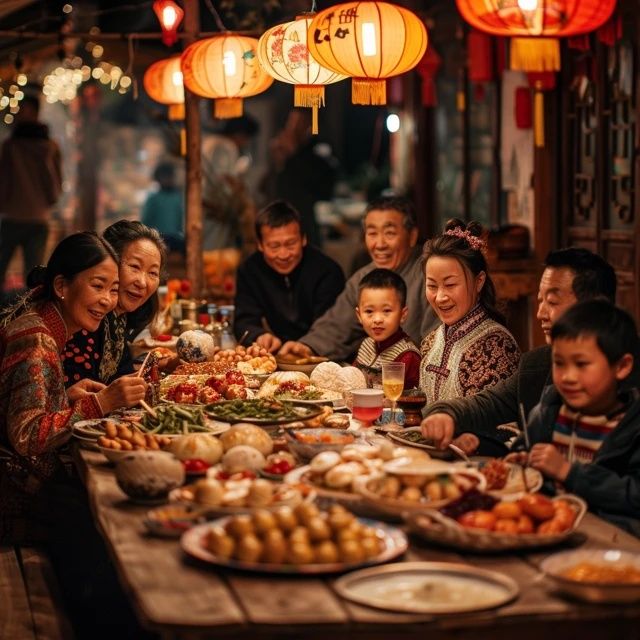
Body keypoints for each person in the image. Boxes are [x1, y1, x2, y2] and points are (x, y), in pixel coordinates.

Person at [0, 231, 148, 544]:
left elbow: (15, 406)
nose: (107, 300)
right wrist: (101, 404)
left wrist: (65, 396)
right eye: (98, 286)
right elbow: (27, 436)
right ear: (62, 286)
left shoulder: (42, 322)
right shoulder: (37, 337)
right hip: (13, 493)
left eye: (113, 289)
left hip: (24, 480)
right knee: (111, 523)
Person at [421, 247, 617, 454]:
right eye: (540, 301)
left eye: (552, 302)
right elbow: (488, 404)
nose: (540, 313)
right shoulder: (537, 365)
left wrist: (567, 473)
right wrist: (445, 414)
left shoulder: (628, 386)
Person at [509, 300, 640, 536]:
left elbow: (634, 497)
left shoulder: (631, 426)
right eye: (559, 363)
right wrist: (523, 459)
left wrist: (569, 472)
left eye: (581, 364)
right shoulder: (549, 410)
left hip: (609, 544)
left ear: (621, 366)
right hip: (547, 533)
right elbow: (528, 448)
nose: (568, 377)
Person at [279, 196, 438, 361]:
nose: (379, 244)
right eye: (372, 233)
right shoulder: (363, 277)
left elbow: (437, 341)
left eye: (389, 233)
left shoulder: (430, 274)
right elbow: (337, 324)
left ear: (412, 236)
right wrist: (308, 346)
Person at [420, 219, 520, 402]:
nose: (440, 297)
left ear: (479, 281)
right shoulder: (431, 340)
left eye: (450, 285)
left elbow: (492, 421)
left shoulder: (496, 346)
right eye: (432, 286)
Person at [63, 220, 166, 385]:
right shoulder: (86, 317)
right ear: (109, 260)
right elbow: (75, 393)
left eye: (152, 273)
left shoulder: (119, 318)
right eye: (134, 266)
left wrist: (165, 365)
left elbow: (120, 376)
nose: (143, 282)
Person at [233, 200, 345, 353]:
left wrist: (308, 345)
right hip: (278, 353)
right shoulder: (250, 270)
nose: (284, 254)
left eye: (291, 244)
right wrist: (259, 336)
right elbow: (244, 319)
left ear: (303, 239)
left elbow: (332, 325)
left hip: (320, 352)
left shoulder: (327, 271)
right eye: (274, 246)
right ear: (260, 244)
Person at [0, 95, 62, 293]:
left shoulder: (10, 146)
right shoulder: (50, 147)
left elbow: (3, 181)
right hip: (38, 218)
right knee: (33, 277)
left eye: (21, 109)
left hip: (13, 217)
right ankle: (28, 317)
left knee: (3, 270)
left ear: (33, 112)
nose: (18, 113)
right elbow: (55, 188)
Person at [261, 109, 338, 248]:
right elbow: (265, 188)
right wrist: (278, 163)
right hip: (278, 222)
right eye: (290, 123)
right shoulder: (283, 154)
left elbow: (325, 187)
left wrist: (293, 155)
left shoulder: (318, 150)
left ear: (308, 126)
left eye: (298, 124)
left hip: (304, 224)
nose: (292, 128)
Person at [354, 268, 421, 389]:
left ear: (403, 314)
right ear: (359, 315)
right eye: (369, 311)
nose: (377, 319)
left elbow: (412, 401)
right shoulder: (366, 345)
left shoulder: (408, 355)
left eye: (386, 311)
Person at [201, 115, 259, 252]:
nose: (245, 143)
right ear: (239, 134)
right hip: (217, 213)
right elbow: (225, 183)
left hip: (202, 210)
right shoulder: (226, 147)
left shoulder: (207, 142)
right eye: (246, 138)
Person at [141, 161, 184, 253]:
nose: (168, 180)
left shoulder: (177, 197)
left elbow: (180, 220)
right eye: (165, 177)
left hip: (175, 238)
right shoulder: (154, 198)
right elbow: (146, 221)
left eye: (170, 177)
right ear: (158, 179)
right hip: (158, 238)